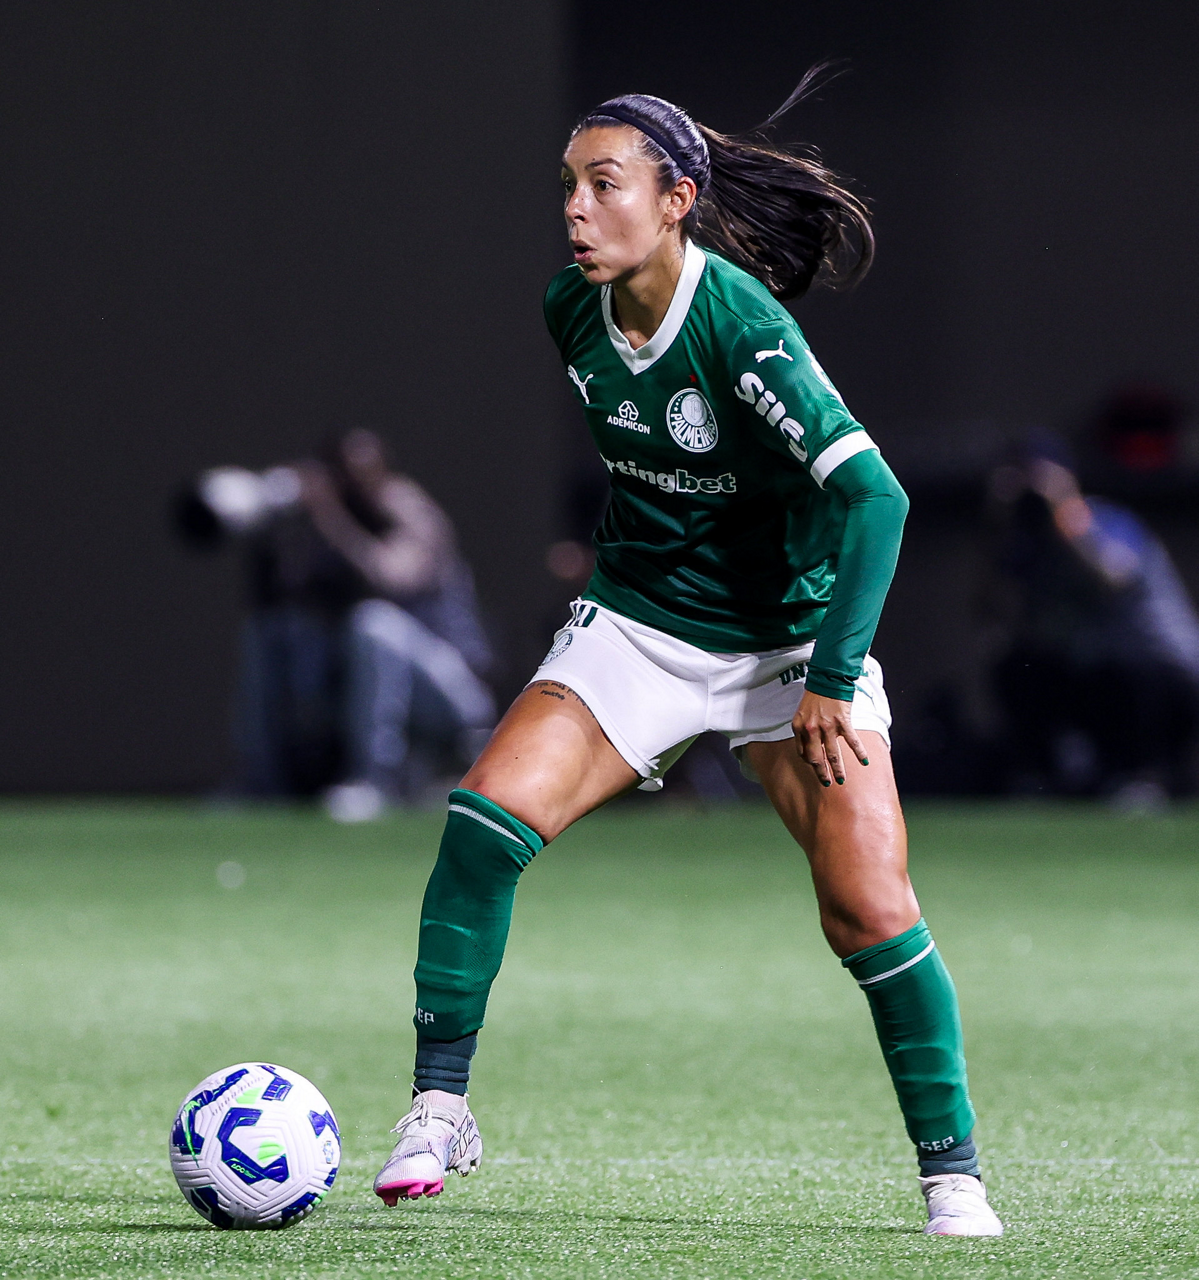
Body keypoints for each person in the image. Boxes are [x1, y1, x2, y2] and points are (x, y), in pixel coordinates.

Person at [372, 72, 1002, 1237]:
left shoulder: (741, 325)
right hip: (643, 627)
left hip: (790, 646)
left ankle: (951, 1175)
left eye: (603, 185)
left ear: (675, 200)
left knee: (866, 908)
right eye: (568, 185)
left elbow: (877, 499)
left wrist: (829, 678)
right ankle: (438, 1107)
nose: (575, 208)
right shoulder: (570, 310)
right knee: (480, 822)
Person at [203, 429, 495, 812]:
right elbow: (283, 597)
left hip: (450, 696)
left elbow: (392, 578)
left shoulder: (408, 507)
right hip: (357, 686)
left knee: (373, 625)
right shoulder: (323, 522)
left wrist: (330, 516)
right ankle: (260, 781)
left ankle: (373, 779)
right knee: (271, 631)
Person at [990, 444, 1199, 804]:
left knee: (1129, 672)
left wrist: (1063, 512)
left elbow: (1114, 578)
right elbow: (993, 610)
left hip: (1161, 673)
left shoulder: (1103, 517)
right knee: (1019, 667)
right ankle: (1043, 778)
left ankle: (1145, 776)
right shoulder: (1030, 542)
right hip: (1097, 671)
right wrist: (996, 524)